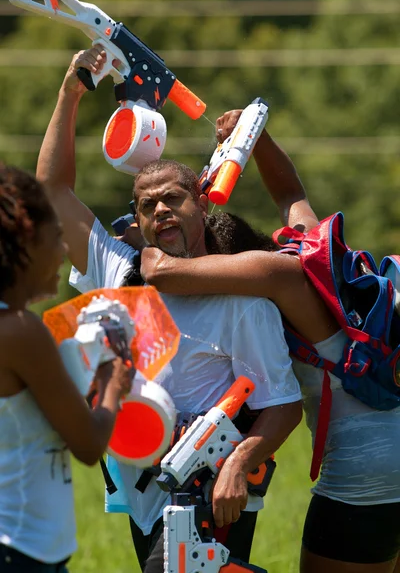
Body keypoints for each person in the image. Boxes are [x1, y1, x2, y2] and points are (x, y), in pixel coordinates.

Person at [36, 46, 304, 572]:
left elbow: (284, 403)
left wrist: (239, 462)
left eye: (174, 199)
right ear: (135, 218)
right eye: (147, 204)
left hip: (214, 485)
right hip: (139, 485)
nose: (161, 209)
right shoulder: (122, 270)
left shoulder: (242, 299)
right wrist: (70, 93)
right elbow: (50, 192)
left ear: (202, 203)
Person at [139, 110, 400, 573]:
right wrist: (254, 139)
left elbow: (163, 272)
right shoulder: (324, 261)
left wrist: (149, 247)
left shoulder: (276, 273)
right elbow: (290, 193)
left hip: (366, 475)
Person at [0, 164, 132, 572]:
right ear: (26, 239)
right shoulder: (21, 334)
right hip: (22, 547)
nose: (62, 252)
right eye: (56, 237)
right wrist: (113, 383)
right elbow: (89, 445)